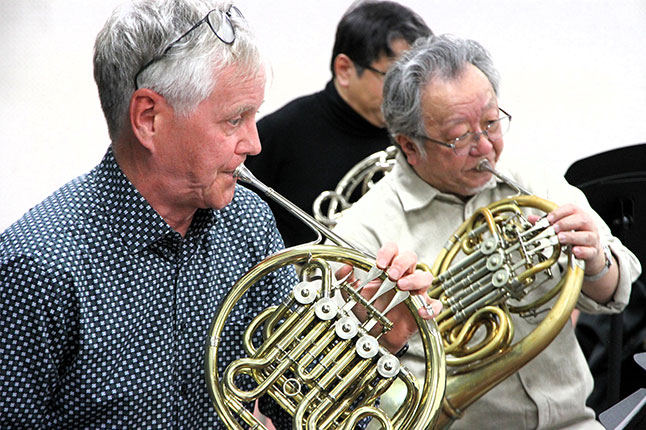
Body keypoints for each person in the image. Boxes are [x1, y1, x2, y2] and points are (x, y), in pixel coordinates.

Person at [0, 1, 442, 428]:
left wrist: (364, 344)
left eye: (255, 115)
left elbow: (294, 402)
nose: (255, 144)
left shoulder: (247, 221)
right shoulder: (35, 267)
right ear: (149, 118)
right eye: (234, 120)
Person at [332, 34, 642, 429]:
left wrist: (596, 260)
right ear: (409, 146)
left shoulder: (531, 180)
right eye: (459, 136)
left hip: (573, 422)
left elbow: (618, 290)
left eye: (492, 122)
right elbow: (347, 378)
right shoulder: (361, 232)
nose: (484, 146)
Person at [245, 0, 432, 248]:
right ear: (344, 70)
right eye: (394, 77)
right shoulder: (275, 135)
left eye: (415, 78)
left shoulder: (422, 136)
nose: (408, 93)